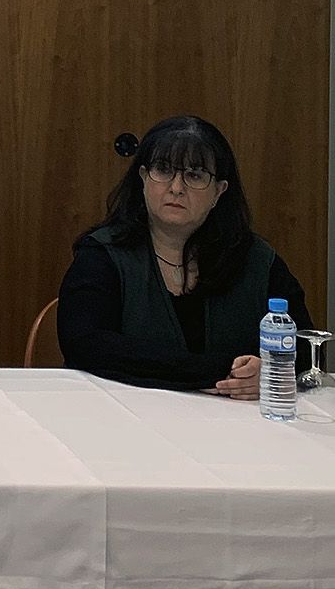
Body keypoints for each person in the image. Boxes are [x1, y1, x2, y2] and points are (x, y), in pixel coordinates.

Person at [59, 115, 311, 396]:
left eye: (195, 175)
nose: (176, 187)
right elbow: (86, 344)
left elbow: (304, 345)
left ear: (219, 191)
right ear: (143, 178)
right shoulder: (103, 253)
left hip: (235, 417)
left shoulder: (256, 260)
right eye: (163, 170)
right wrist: (214, 372)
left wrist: (270, 370)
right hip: (123, 410)